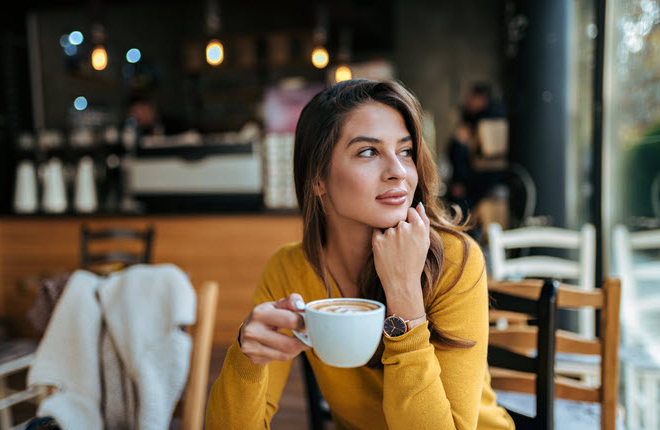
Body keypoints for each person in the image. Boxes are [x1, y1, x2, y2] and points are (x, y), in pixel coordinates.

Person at [206, 79, 514, 429]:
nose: (398, 171)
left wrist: (404, 295)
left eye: (406, 151)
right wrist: (247, 359)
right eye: (368, 151)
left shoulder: (455, 260)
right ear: (317, 178)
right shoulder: (291, 268)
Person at [446, 83, 506, 219]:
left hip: (475, 183)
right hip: (476, 181)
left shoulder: (483, 122)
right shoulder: (476, 120)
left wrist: (460, 180)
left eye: (471, 97)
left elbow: (459, 152)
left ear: (481, 99)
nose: (467, 101)